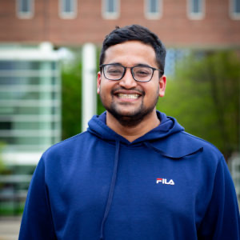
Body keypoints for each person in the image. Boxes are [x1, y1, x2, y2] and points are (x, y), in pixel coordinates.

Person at [19, 24, 240, 240]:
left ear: (161, 85)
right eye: (114, 71)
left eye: (142, 72)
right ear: (99, 81)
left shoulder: (206, 162)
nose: (127, 82)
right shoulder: (57, 162)